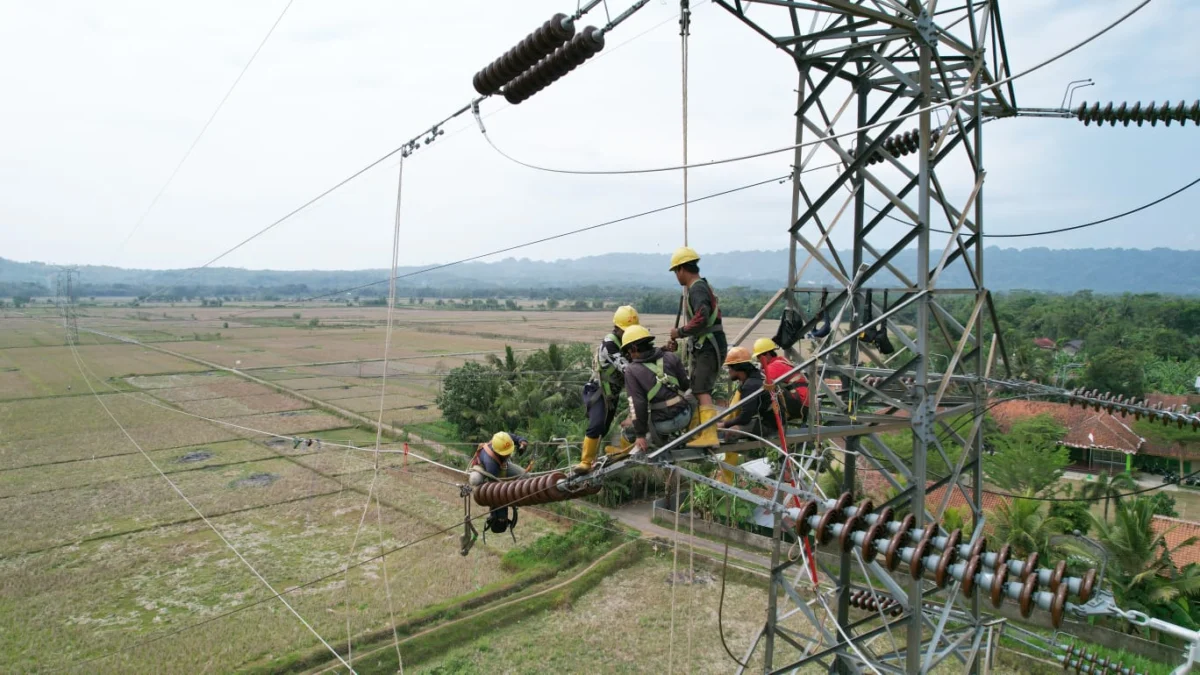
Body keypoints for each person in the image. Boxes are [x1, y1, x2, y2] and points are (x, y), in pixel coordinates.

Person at [667, 246, 726, 447]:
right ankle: (696, 432)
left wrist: (680, 332)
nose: (676, 275)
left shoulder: (697, 288)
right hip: (706, 345)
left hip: (709, 345)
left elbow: (701, 316)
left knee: (701, 390)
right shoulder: (698, 287)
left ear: (682, 269)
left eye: (676, 271)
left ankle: (708, 434)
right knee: (697, 388)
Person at [571, 305, 639, 475]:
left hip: (612, 394)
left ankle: (603, 456)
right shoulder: (610, 345)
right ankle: (585, 462)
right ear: (617, 328)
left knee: (604, 428)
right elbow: (627, 368)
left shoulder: (628, 342)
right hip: (598, 391)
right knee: (597, 424)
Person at [619, 325, 693, 456]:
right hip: (685, 416)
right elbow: (686, 385)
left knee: (627, 430)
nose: (630, 356)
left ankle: (650, 441)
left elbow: (637, 404)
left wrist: (640, 435)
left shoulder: (632, 370)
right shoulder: (670, 357)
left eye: (628, 352)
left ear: (634, 348)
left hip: (664, 424)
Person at [718, 347, 774, 438]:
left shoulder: (750, 385)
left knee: (730, 432)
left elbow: (745, 418)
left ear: (737, 368)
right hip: (766, 420)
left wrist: (723, 425)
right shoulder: (756, 377)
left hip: (768, 425)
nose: (729, 372)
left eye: (729, 368)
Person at [752, 337, 810, 423]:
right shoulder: (781, 361)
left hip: (799, 404)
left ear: (767, 354)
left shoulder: (775, 366)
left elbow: (757, 381)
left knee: (766, 390)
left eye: (758, 357)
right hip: (803, 403)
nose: (758, 360)